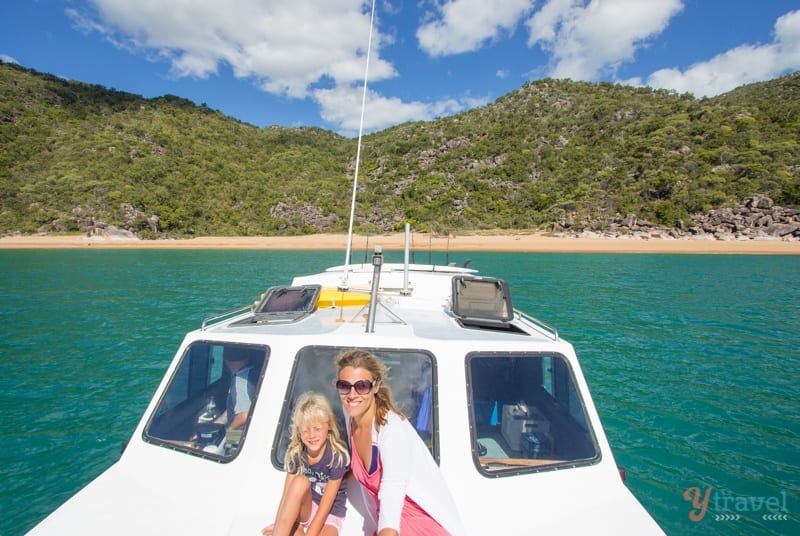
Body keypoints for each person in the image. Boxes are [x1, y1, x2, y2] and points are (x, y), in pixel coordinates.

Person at [335, 349, 467, 536]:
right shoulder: (350, 414)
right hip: (387, 524)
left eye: (362, 386)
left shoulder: (391, 429)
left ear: (376, 386)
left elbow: (391, 491)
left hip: (415, 526)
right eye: (344, 385)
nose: (352, 394)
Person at [262, 392, 350, 536]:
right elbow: (287, 497)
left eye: (317, 429)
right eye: (305, 430)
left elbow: (324, 510)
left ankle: (298, 530)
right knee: (300, 481)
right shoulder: (297, 454)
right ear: (299, 431)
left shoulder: (336, 457)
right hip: (308, 508)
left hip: (330, 513)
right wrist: (279, 525)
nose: (311, 435)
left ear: (328, 426)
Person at [220, 347, 258, 430]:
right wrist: (218, 422)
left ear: (226, 361)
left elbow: (243, 416)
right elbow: (238, 407)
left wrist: (226, 436)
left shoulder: (240, 380)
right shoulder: (253, 372)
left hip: (243, 434)